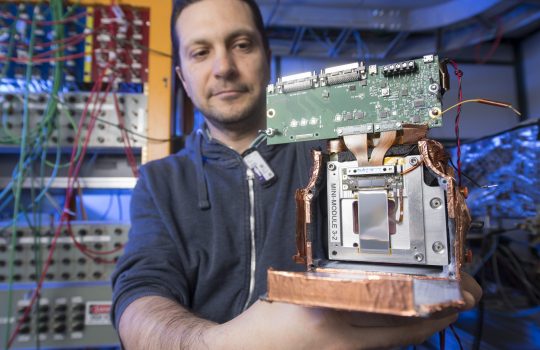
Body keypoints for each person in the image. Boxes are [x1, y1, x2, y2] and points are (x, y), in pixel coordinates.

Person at [111, 0, 482, 349]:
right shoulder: (159, 182)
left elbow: (402, 251)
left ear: (266, 57)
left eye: (241, 44)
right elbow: (139, 294)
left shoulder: (343, 154)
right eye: (201, 52)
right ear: (182, 77)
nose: (223, 67)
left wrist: (433, 260)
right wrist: (215, 344)